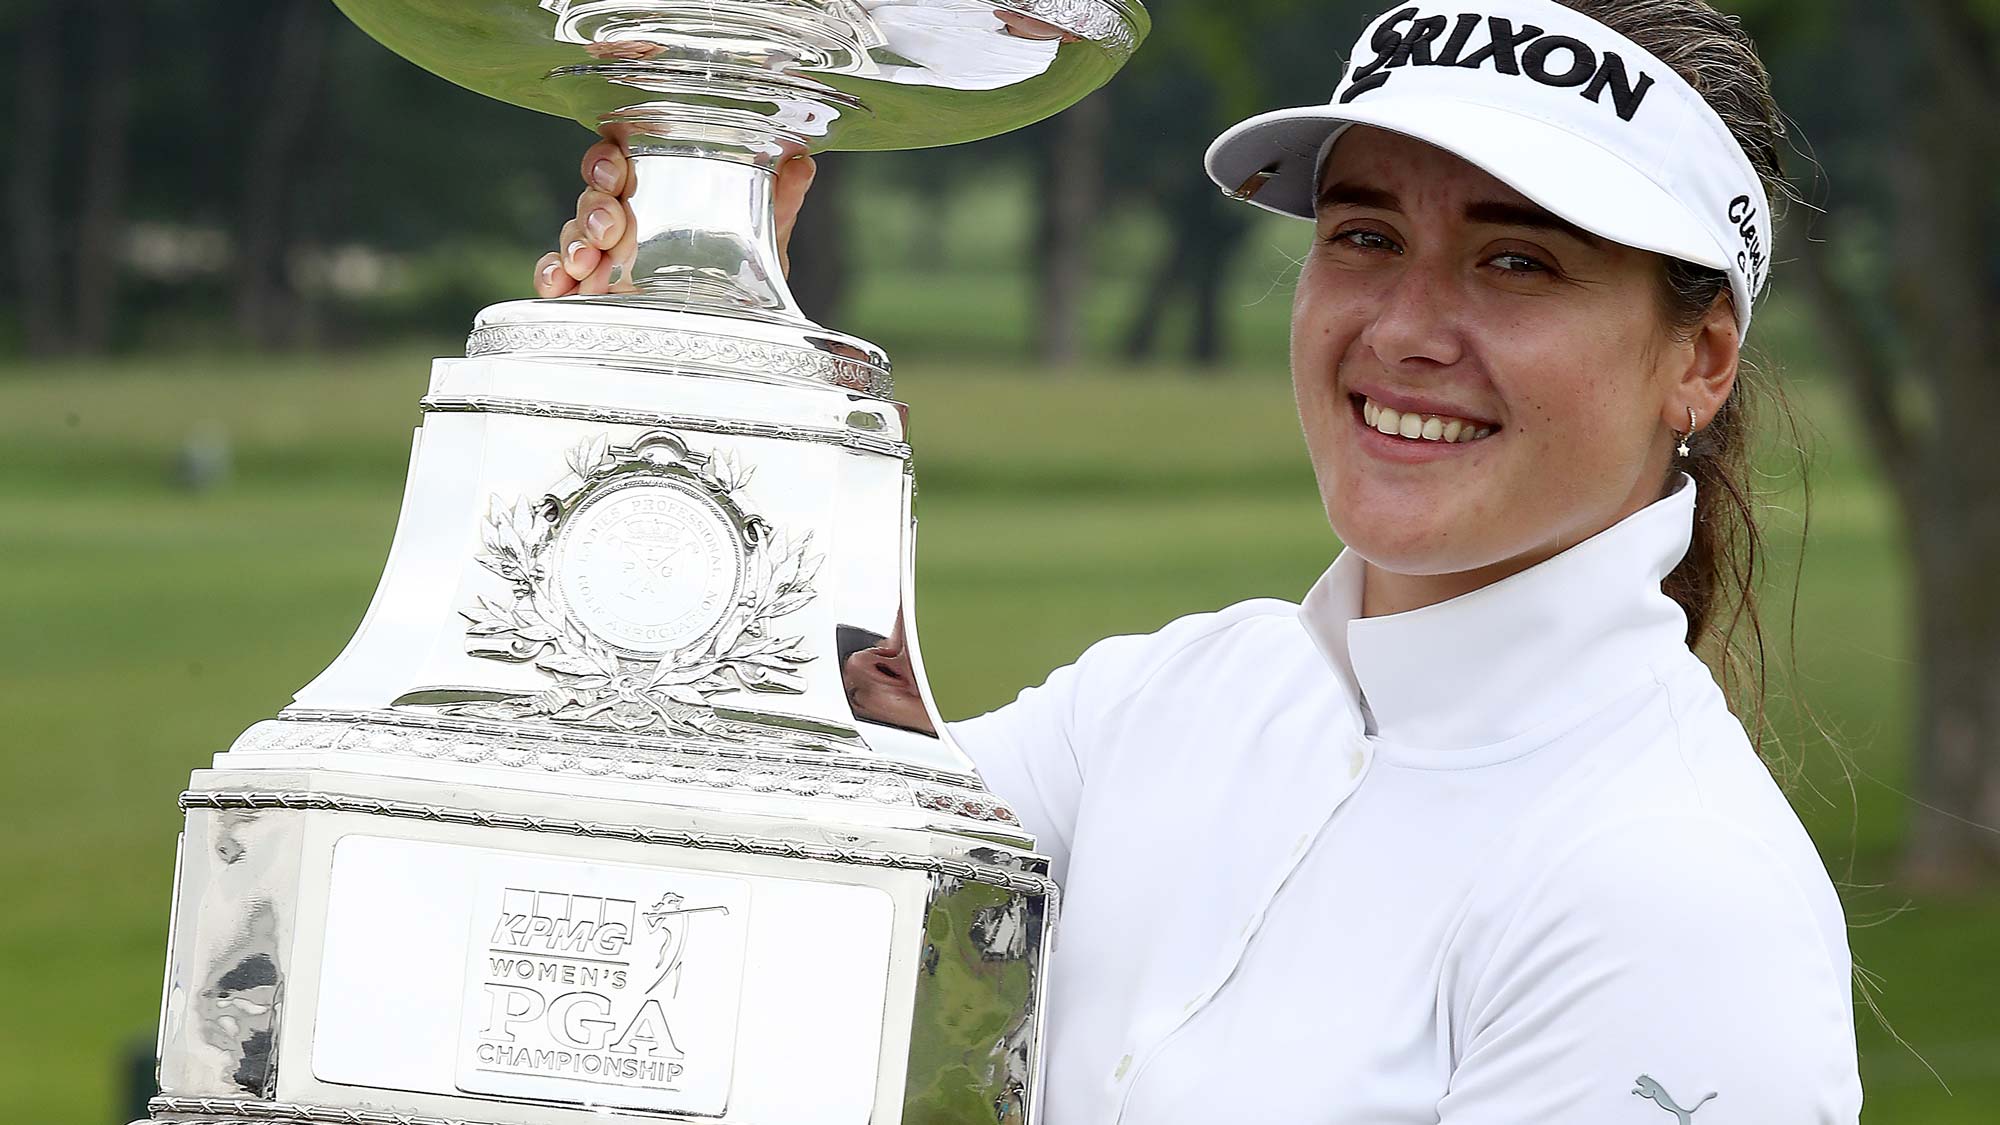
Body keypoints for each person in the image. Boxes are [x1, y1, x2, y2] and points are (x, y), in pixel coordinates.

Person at [534, 1, 1862, 1119]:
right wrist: (689, 329)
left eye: (1517, 260)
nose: (1406, 326)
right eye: (1366, 235)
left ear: (1700, 359)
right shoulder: (1174, 700)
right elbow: (742, 829)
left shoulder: (1673, 897)